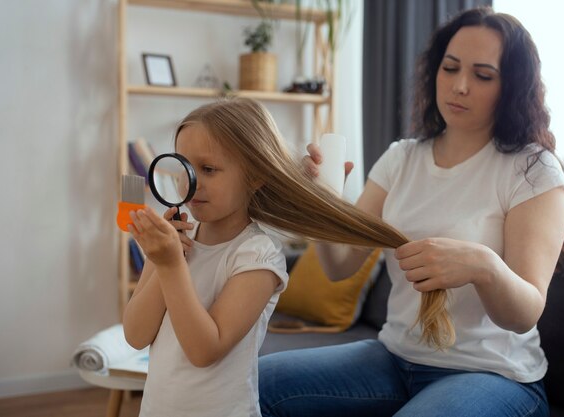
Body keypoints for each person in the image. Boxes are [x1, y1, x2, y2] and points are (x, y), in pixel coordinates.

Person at [259, 6, 564, 417]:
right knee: (255, 383)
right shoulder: (401, 158)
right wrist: (319, 203)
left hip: (494, 375)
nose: (459, 86)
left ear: (511, 86)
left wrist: (483, 266)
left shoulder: (533, 170)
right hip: (394, 360)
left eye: (482, 75)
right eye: (450, 68)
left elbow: (524, 313)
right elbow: (339, 266)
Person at [122, 97, 410, 417]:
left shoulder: (257, 255)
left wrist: (171, 265)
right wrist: (162, 261)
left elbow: (204, 350)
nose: (191, 182)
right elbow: (136, 335)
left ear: (255, 175)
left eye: (208, 169)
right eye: (185, 167)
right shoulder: (177, 238)